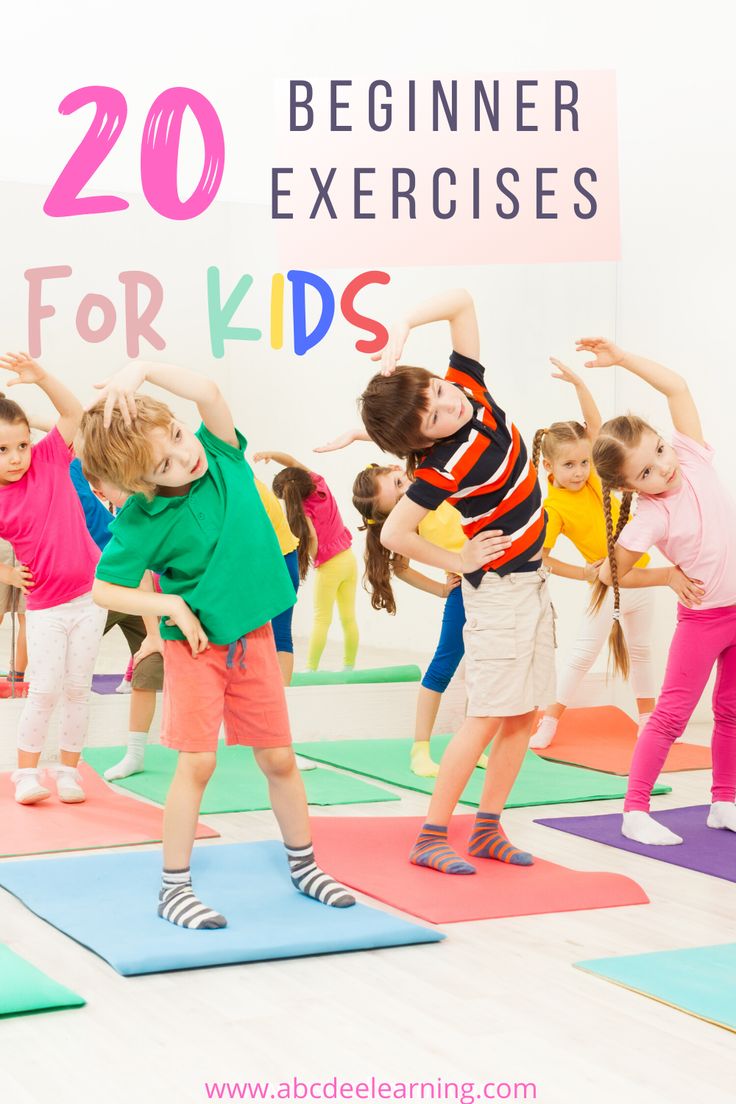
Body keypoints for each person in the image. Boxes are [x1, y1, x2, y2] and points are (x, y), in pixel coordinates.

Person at [81, 360, 355, 928]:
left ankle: (304, 865)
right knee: (198, 763)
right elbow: (105, 588)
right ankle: (173, 886)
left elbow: (206, 391)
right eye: (165, 464)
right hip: (196, 650)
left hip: (252, 636)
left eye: (179, 437)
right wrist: (170, 606)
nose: (186, 457)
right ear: (141, 484)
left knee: (279, 757)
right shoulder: (141, 519)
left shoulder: (223, 453)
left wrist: (138, 373)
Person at [358, 288, 554, 874]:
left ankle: (489, 827)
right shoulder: (445, 465)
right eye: (437, 415)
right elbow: (394, 534)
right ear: (423, 442)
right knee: (487, 714)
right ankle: (431, 834)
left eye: (440, 393)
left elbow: (464, 302)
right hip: (499, 593)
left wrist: (403, 327)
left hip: (533, 584)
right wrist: (462, 560)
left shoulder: (468, 390)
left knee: (523, 714)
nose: (451, 405)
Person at [581, 336, 736, 845]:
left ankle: (725, 801)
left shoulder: (690, 455)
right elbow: (611, 574)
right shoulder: (650, 515)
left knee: (731, 710)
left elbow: (677, 388)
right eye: (645, 472)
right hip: (704, 621)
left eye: (660, 452)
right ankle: (635, 808)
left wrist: (622, 358)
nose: (662, 468)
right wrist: (667, 576)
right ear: (629, 487)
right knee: (671, 714)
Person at [529, 359, 657, 749]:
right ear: (548, 466)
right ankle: (549, 721)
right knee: (583, 653)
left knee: (641, 651)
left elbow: (596, 426)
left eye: (585, 462)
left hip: (641, 574)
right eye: (569, 465)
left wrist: (580, 385)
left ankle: (648, 720)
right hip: (608, 584)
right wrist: (585, 573)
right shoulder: (554, 508)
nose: (581, 471)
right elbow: (541, 557)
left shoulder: (596, 478)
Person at [352, 462, 510, 776]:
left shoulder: (436, 479)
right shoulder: (414, 518)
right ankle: (420, 749)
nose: (405, 492)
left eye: (398, 482)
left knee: (485, 665)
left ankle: (473, 744)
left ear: (398, 468)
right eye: (397, 500)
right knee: (443, 665)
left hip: (498, 582)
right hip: (464, 590)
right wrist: (440, 589)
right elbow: (401, 566)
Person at [0, 355, 106, 805]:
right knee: (43, 688)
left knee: (78, 690)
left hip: (89, 599)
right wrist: (5, 571)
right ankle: (25, 775)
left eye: (21, 445)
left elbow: (73, 415)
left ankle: (68, 771)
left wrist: (42, 378)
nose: (17, 457)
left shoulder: (49, 458)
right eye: (3, 450)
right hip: (44, 606)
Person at [254, 451, 359, 672]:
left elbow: (311, 537)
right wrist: (271, 454)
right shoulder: (318, 481)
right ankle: (349, 666)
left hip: (330, 566)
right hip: (349, 558)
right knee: (348, 616)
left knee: (322, 619)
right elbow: (292, 461)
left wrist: (313, 556)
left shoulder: (304, 510)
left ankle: (311, 668)